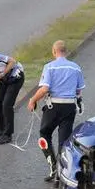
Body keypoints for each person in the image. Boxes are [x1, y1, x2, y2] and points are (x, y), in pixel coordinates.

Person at [27, 40, 84, 178]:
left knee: (44, 134)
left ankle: (52, 166)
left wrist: (33, 100)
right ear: (66, 51)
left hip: (53, 107)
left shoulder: (50, 67)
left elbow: (45, 88)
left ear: (54, 51)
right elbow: (78, 91)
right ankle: (62, 171)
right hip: (70, 107)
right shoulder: (76, 68)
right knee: (64, 140)